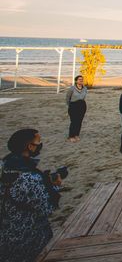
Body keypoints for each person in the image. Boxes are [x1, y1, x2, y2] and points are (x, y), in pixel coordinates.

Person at [0, 129, 62, 262]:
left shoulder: (3, 166)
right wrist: (56, 185)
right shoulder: (30, 178)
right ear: (29, 146)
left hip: (5, 235)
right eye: (38, 142)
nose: (40, 145)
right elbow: (47, 207)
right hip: (29, 238)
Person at [65, 75, 87, 142]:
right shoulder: (72, 88)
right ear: (76, 81)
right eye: (79, 79)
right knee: (74, 121)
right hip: (73, 105)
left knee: (79, 121)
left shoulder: (85, 88)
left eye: (82, 79)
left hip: (82, 105)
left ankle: (76, 135)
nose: (81, 80)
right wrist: (70, 105)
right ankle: (71, 136)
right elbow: (67, 98)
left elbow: (83, 97)